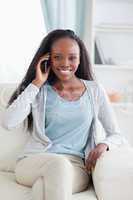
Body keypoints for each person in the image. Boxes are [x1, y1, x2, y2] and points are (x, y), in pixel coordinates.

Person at [2, 29, 128, 200]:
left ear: (80, 58)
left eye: (72, 57)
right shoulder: (39, 91)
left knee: (42, 187)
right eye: (57, 57)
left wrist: (103, 144)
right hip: (33, 162)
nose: (65, 63)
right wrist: (37, 83)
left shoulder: (95, 90)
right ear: (47, 59)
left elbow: (116, 134)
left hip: (75, 166)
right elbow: (8, 122)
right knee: (57, 165)